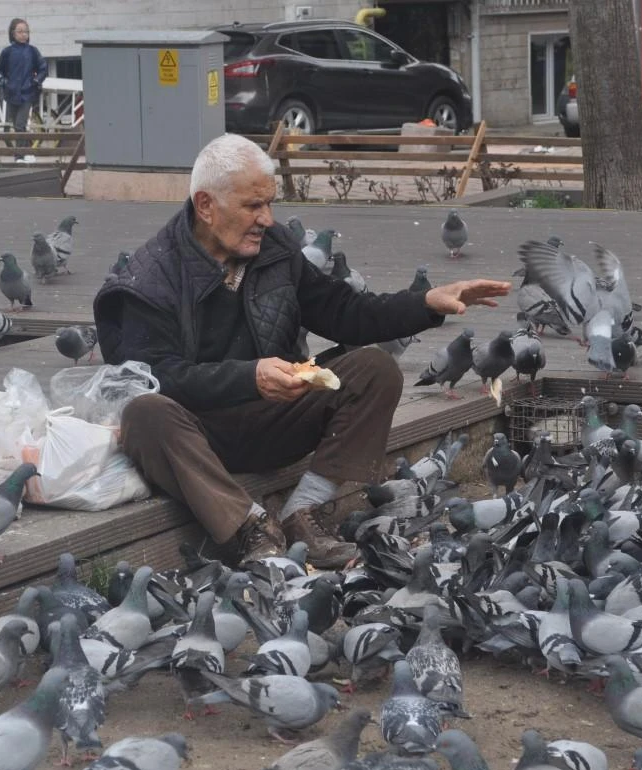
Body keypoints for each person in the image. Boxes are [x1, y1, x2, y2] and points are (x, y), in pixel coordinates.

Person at [93, 133, 509, 569]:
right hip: (198, 437)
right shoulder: (150, 277)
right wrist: (248, 376)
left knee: (374, 369)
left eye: (269, 204)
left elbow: (342, 310)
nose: (268, 220)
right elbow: (151, 375)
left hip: (276, 416)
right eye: (253, 206)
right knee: (143, 412)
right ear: (205, 206)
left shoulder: (275, 248)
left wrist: (424, 304)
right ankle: (248, 528)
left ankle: (303, 513)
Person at [0, 18, 47, 163]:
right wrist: (3, 81)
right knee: (18, 126)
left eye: (26, 31)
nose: (24, 34)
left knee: (20, 124)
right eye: (20, 31)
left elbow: (43, 68)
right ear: (13, 33)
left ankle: (19, 156)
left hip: (27, 93)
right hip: (11, 93)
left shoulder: (33, 51)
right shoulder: (7, 52)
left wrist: (36, 81)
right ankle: (27, 152)